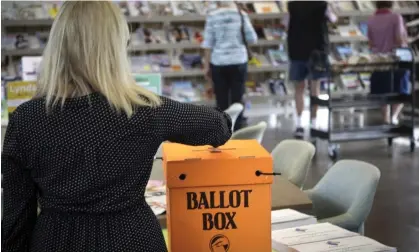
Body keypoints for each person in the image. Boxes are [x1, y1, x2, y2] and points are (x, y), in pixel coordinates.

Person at [1, 2, 232, 252]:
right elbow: (219, 127)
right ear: (116, 48)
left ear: (58, 46)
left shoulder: (26, 119)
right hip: (133, 238)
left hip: (56, 240)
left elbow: (16, 219)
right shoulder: (145, 109)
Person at [202, 1, 258, 131]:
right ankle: (237, 130)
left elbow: (208, 44)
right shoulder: (241, 14)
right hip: (239, 61)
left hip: (219, 62)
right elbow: (252, 39)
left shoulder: (212, 16)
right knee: (237, 99)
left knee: (221, 100)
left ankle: (222, 131)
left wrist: (206, 66)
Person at [286, 1, 336, 139]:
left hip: (297, 50)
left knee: (299, 89)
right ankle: (314, 124)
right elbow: (333, 19)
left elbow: (286, 23)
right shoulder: (323, 5)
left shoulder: (292, 5)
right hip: (317, 52)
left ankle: (299, 125)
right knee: (315, 88)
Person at [367, 1, 409, 124]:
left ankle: (385, 117)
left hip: (378, 61)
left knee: (382, 91)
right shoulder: (396, 17)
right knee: (402, 90)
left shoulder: (371, 19)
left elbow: (370, 43)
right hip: (395, 59)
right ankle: (394, 117)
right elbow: (399, 39)